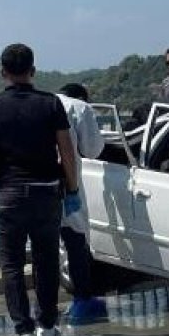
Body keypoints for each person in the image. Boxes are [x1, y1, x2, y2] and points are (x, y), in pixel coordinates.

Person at [0, 43, 79, 336]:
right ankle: (47, 326)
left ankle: (23, 331)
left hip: (9, 193)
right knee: (46, 262)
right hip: (47, 192)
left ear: (3, 72)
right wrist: (71, 188)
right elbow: (66, 152)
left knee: (12, 265)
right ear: (33, 70)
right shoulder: (51, 104)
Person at [56, 82, 107, 323]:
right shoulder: (79, 107)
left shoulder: (40, 103)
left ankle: (43, 308)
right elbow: (93, 150)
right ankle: (82, 302)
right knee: (76, 241)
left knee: (42, 247)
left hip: (29, 186)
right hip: (68, 184)